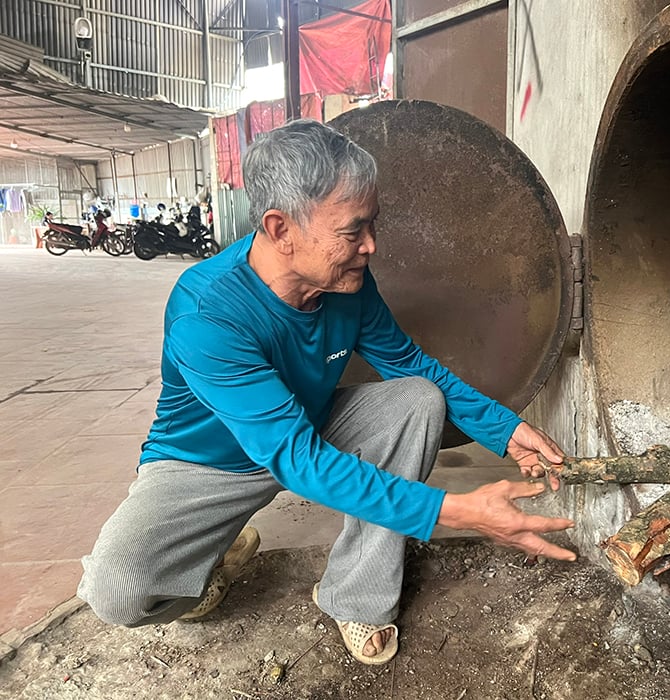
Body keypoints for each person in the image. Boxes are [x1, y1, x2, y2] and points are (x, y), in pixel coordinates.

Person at [78, 118, 576, 666]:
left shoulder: (347, 284)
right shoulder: (208, 312)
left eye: (373, 225)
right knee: (116, 593)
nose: (370, 245)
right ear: (281, 229)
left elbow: (411, 365)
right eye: (352, 231)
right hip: (207, 462)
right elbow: (294, 458)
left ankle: (356, 596)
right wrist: (457, 510)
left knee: (415, 398)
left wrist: (506, 430)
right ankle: (209, 561)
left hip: (308, 424)